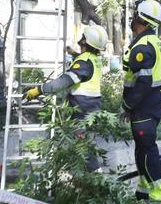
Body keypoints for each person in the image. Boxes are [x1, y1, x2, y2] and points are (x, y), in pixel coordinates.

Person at [24, 24, 108, 171]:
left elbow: (63, 82)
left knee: (84, 145)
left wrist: (38, 90)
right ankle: (88, 177)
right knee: (85, 143)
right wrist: (73, 54)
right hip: (92, 107)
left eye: (83, 38)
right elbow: (85, 64)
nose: (80, 40)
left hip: (82, 110)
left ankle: (96, 176)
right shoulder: (94, 59)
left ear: (85, 42)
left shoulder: (84, 63)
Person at [122, 0, 161, 202]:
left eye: (133, 15)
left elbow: (143, 81)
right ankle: (143, 190)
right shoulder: (156, 42)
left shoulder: (143, 46)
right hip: (151, 105)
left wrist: (127, 104)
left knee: (148, 150)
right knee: (142, 149)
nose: (131, 19)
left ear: (140, 18)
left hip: (143, 108)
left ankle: (158, 195)